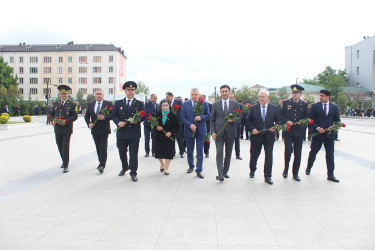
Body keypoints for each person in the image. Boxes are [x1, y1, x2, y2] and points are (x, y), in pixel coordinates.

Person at [112, 81, 145, 182]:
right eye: (128, 90)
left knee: (133, 154)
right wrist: (118, 123)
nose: (131, 92)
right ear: (125, 91)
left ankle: (133, 172)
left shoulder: (139, 104)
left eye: (132, 90)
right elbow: (114, 115)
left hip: (134, 133)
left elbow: (143, 116)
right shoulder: (118, 103)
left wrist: (137, 120)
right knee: (122, 151)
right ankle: (125, 166)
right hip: (122, 132)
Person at [306, 89, 341, 183]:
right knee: (313, 152)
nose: (321, 97)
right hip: (318, 134)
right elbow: (310, 119)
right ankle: (308, 167)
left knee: (330, 155)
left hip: (329, 135)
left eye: (323, 96)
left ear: (328, 97)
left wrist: (333, 127)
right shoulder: (315, 106)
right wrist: (317, 128)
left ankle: (330, 174)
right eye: (320, 95)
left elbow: (337, 120)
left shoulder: (334, 107)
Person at [246, 90, 280, 185]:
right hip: (256, 136)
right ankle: (252, 170)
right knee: (254, 155)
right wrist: (252, 129)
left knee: (269, 156)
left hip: (269, 136)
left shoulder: (275, 108)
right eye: (259, 97)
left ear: (268, 97)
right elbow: (248, 121)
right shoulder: (253, 108)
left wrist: (275, 127)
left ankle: (268, 176)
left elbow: (279, 121)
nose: (261, 98)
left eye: (263, 97)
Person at [211, 85, 240, 181]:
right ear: (220, 92)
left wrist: (234, 119)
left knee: (228, 153)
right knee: (219, 152)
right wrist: (213, 132)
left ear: (229, 92)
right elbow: (212, 120)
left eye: (226, 91)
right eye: (222, 91)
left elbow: (240, 117)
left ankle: (225, 171)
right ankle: (220, 174)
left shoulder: (235, 104)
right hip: (219, 133)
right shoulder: (215, 104)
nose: (224, 93)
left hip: (231, 133)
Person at [180, 88, 210, 179]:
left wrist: (201, 117)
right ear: (190, 94)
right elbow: (182, 117)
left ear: (198, 95)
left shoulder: (204, 104)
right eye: (192, 94)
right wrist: (190, 125)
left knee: (200, 151)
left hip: (200, 131)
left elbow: (208, 115)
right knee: (190, 150)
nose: (194, 96)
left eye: (195, 94)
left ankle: (199, 170)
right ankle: (191, 166)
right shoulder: (185, 104)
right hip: (189, 131)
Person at [280, 85, 309, 181]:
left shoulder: (304, 104)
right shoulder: (286, 103)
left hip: (299, 133)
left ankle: (295, 173)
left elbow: (307, 118)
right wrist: (286, 121)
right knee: (288, 151)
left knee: (298, 153)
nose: (294, 94)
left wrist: (303, 122)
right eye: (293, 92)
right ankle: (286, 170)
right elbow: (281, 116)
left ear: (300, 94)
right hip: (288, 132)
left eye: (296, 93)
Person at [50, 85, 78, 173]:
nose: (63, 95)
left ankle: (66, 165)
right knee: (59, 146)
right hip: (57, 128)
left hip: (67, 129)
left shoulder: (72, 104)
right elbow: (51, 114)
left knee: (65, 147)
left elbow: (75, 116)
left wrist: (66, 121)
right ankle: (63, 160)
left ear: (68, 94)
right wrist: (53, 120)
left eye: (65, 93)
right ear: (59, 94)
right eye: (62, 93)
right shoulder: (55, 103)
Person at [84, 89, 112, 173]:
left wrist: (104, 117)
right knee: (98, 147)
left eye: (100, 94)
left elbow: (112, 115)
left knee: (103, 147)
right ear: (95, 95)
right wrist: (89, 123)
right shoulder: (91, 104)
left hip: (104, 129)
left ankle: (102, 164)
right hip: (95, 129)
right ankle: (101, 161)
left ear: (103, 95)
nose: (99, 95)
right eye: (97, 94)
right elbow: (86, 116)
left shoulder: (108, 104)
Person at [154, 99, 180, 175]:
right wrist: (156, 127)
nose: (165, 107)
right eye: (163, 105)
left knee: (168, 153)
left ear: (169, 106)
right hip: (159, 137)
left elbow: (177, 126)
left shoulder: (173, 115)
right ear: (161, 106)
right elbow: (153, 125)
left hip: (169, 138)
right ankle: (162, 164)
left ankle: (166, 169)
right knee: (158, 153)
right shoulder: (158, 114)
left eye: (166, 105)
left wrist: (171, 132)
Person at [166, 92, 184, 158]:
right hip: (170, 125)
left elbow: (182, 112)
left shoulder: (179, 102)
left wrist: (175, 114)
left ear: (171, 96)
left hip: (178, 123)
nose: (166, 98)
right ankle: (173, 152)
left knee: (179, 138)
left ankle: (181, 152)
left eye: (167, 97)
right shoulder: (167, 103)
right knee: (171, 139)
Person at [229, 94, 243, 160]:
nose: (231, 99)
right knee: (228, 141)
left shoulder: (239, 106)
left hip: (236, 126)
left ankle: (238, 154)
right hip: (228, 126)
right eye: (230, 98)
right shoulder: (227, 105)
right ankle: (228, 155)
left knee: (237, 141)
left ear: (235, 98)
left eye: (232, 98)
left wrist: (234, 120)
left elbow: (240, 116)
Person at [200, 94, 212, 158]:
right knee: (199, 140)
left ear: (204, 98)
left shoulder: (210, 105)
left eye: (201, 98)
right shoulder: (196, 105)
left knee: (207, 140)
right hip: (199, 125)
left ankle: (206, 152)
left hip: (207, 125)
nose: (199, 99)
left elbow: (211, 116)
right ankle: (199, 152)